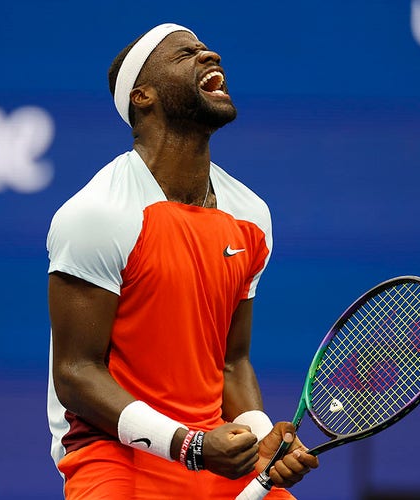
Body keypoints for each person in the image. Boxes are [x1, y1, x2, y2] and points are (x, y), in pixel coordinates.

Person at [46, 23, 318, 499]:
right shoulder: (98, 214)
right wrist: (187, 445)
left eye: (206, 48)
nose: (209, 54)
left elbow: (231, 361)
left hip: (212, 450)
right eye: (185, 54)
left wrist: (256, 438)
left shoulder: (250, 216)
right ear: (143, 96)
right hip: (115, 455)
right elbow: (75, 372)